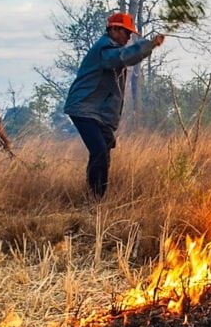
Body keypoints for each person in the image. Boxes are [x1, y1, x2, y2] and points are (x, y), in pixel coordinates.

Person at [63, 12, 165, 198]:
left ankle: (98, 197)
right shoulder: (105, 49)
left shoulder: (112, 47)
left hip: (96, 112)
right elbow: (121, 58)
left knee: (106, 147)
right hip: (84, 108)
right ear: (114, 30)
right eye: (126, 33)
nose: (128, 37)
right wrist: (149, 45)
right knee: (99, 151)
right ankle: (94, 198)